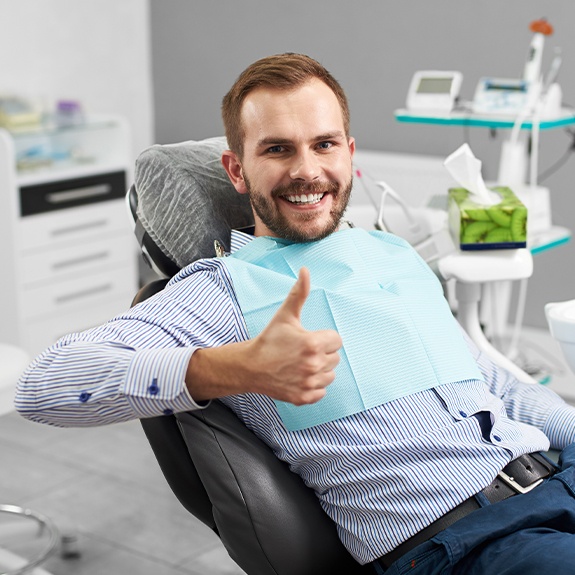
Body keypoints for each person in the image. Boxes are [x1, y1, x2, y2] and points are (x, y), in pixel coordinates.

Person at [15, 53, 575, 574]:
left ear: (349, 155)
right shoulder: (223, 290)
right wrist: (234, 368)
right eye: (277, 149)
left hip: (554, 482)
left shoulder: (393, 253)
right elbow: (41, 385)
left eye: (324, 144)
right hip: (465, 543)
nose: (307, 171)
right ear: (237, 171)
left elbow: (495, 380)